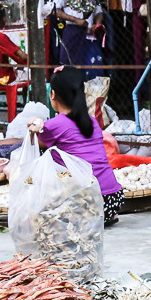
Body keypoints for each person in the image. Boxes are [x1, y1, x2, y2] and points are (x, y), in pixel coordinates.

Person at [24, 68, 125, 225]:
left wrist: (34, 124)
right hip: (114, 198)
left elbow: (36, 145)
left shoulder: (53, 125)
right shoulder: (92, 121)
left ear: (53, 95)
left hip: (89, 202)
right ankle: (106, 217)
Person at [53, 0, 105, 69]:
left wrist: (97, 24)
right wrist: (76, 20)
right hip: (73, 32)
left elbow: (99, 11)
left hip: (90, 34)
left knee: (94, 69)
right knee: (71, 68)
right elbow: (55, 11)